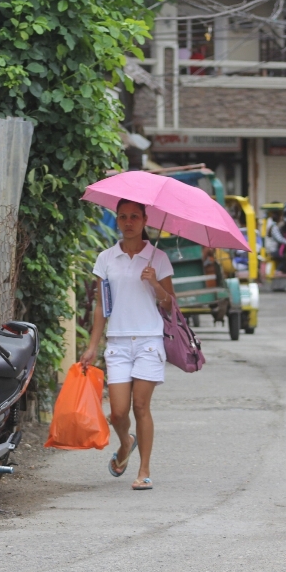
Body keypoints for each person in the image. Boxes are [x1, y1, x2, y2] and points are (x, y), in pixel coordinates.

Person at [79, 199, 175, 491]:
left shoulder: (158, 258)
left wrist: (155, 283)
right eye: (123, 217)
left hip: (148, 340)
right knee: (118, 413)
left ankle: (144, 470)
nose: (129, 222)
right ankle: (125, 443)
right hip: (118, 342)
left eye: (135, 216)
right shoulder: (106, 258)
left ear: (145, 220)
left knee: (141, 406)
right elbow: (100, 307)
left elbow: (169, 306)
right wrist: (92, 346)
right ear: (117, 220)